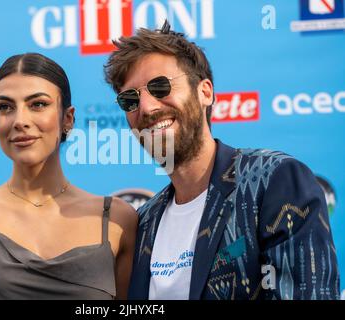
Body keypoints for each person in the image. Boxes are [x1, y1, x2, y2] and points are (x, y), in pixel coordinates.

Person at [104, 21, 340, 300]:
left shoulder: (273, 182)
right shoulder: (143, 222)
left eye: (159, 86)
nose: (146, 107)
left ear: (205, 92)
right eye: (129, 99)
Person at [0, 53, 137, 300]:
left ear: (68, 119)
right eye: (4, 107)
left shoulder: (117, 219)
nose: (20, 121)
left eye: (38, 104)